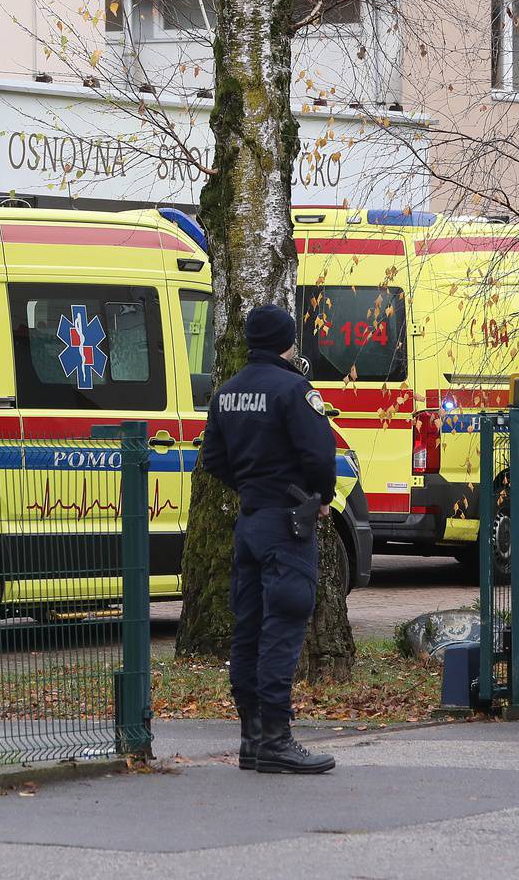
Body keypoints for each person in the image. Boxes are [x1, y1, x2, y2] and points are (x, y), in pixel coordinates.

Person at [197, 304, 339, 776]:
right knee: (283, 625)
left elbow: (213, 458)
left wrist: (251, 487)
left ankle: (252, 739)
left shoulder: (227, 393)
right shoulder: (294, 389)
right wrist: (318, 495)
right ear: (287, 341)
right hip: (287, 525)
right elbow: (320, 453)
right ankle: (277, 740)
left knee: (249, 630)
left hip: (250, 523)